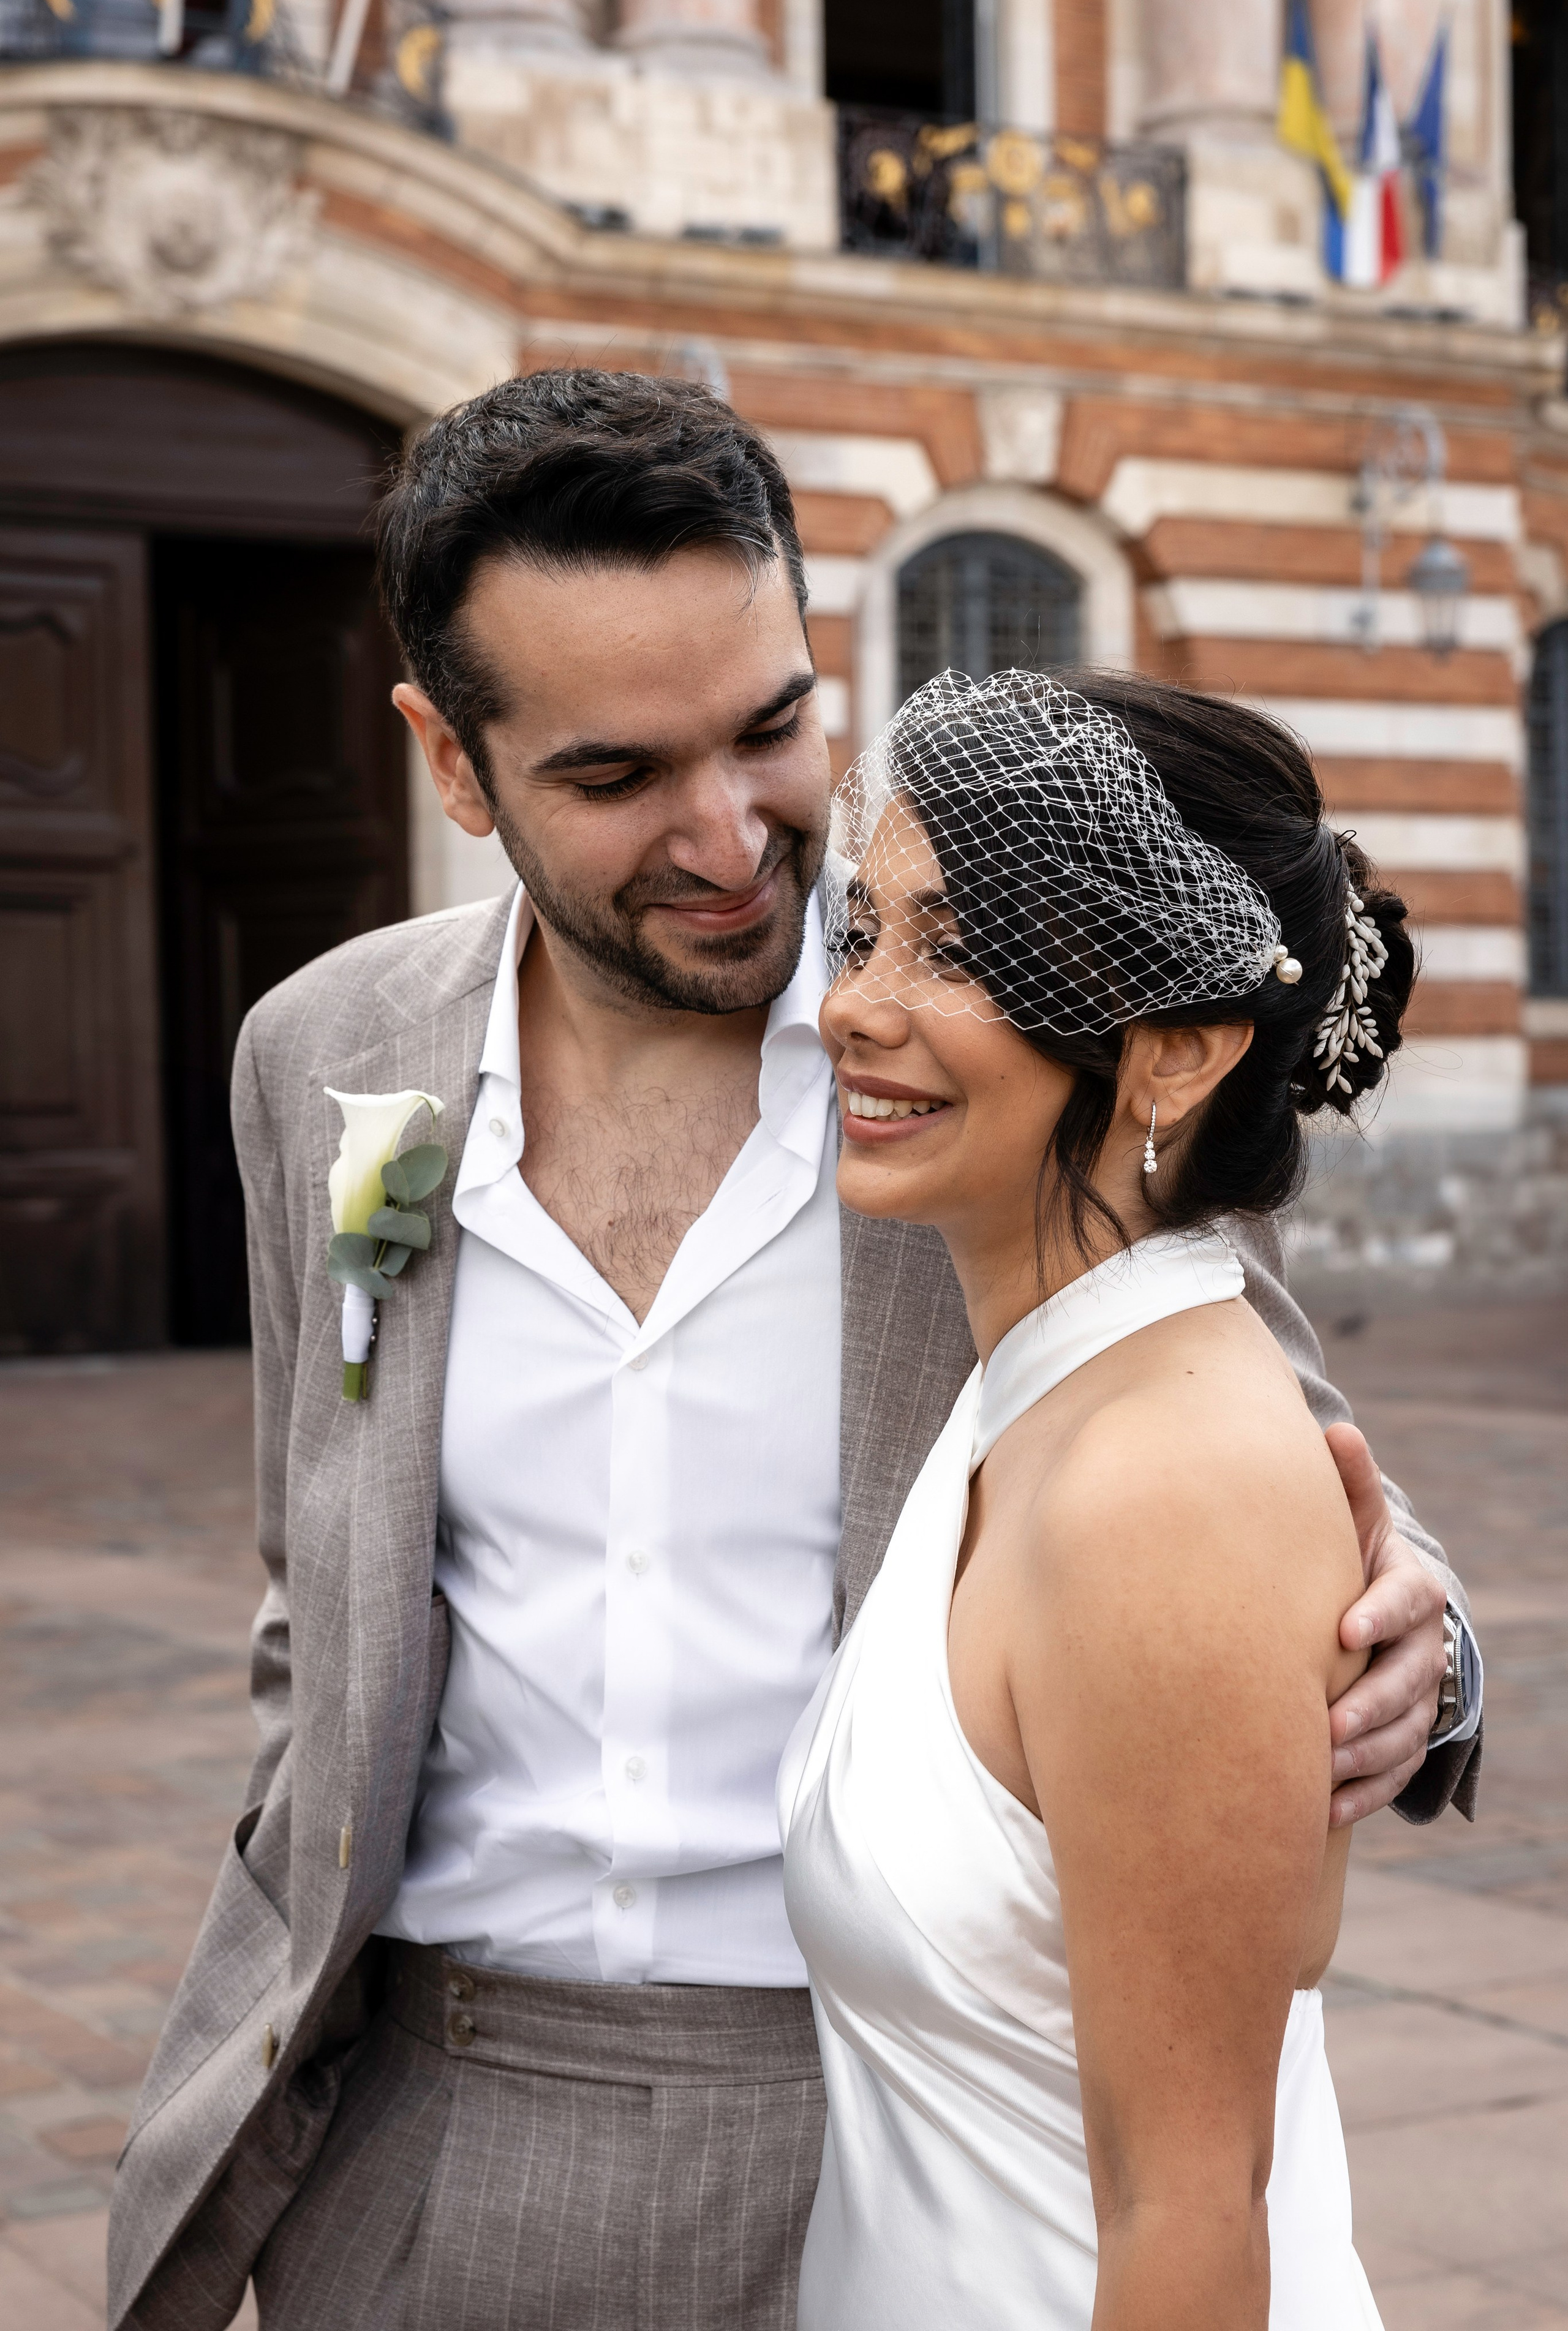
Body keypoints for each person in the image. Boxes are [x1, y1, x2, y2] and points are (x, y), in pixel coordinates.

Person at [108, 372, 1479, 2331]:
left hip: (863, 2111)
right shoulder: (324, 1058)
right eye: (616, 776)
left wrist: (1421, 1641)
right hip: (422, 2125)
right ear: (453, 760)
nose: (736, 838)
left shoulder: (1008, 1020)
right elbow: (307, 1583)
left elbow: (1235, 1422)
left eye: (772, 728)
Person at [778, 668, 1418, 2329]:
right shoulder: (1038, 1388)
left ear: (1180, 1051)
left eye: (960, 952)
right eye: (867, 932)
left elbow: (1192, 2212)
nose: (853, 1003)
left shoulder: (1162, 1488)